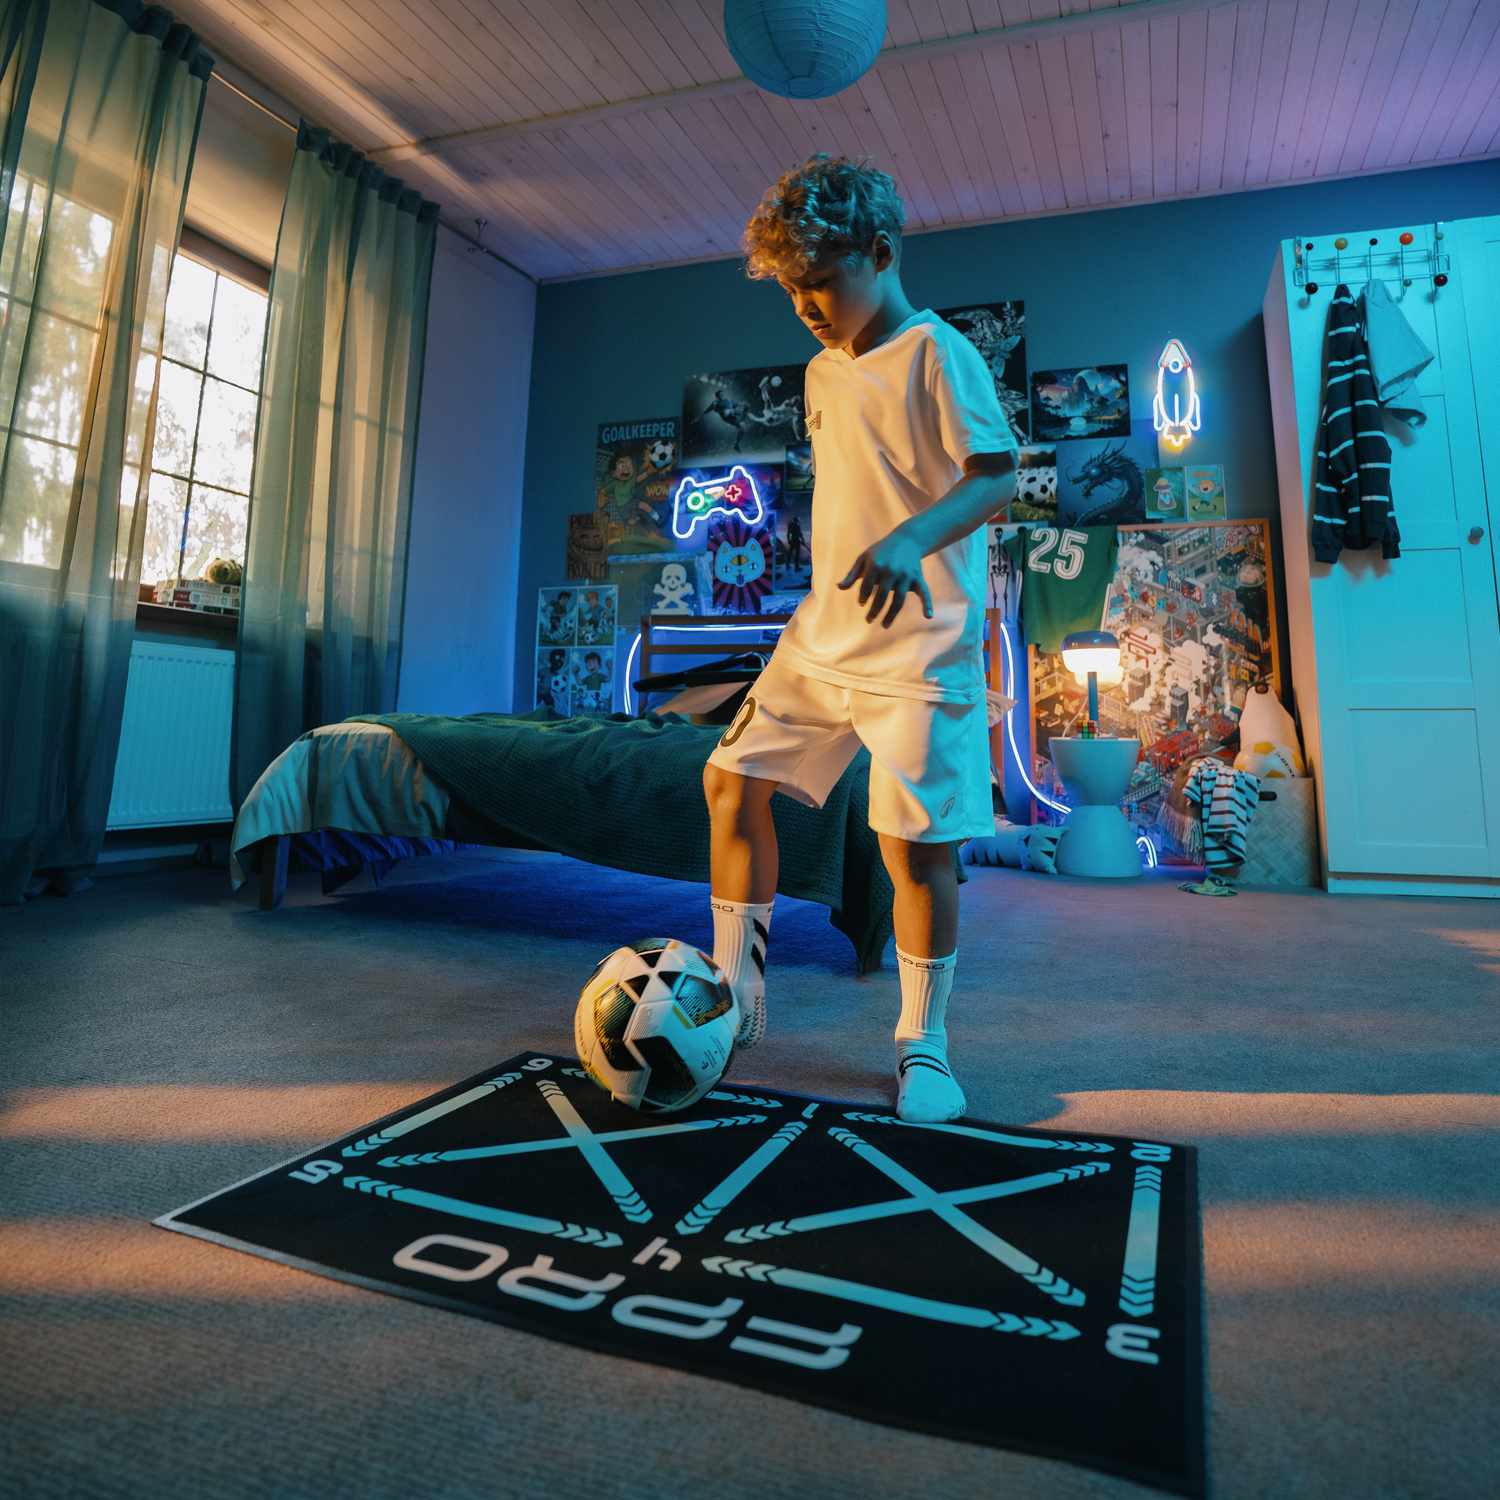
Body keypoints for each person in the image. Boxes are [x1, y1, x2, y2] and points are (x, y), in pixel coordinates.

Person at [703, 155, 1017, 1124]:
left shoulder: (938, 353)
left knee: (911, 848)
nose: (805, 304)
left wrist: (912, 538)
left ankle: (925, 1046)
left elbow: (997, 473)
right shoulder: (819, 368)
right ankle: (734, 1002)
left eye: (821, 281)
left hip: (919, 647)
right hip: (822, 636)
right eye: (789, 288)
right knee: (728, 782)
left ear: (879, 254)